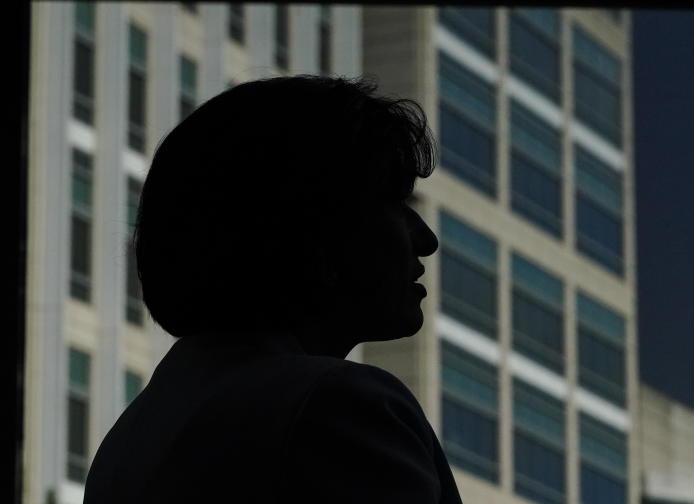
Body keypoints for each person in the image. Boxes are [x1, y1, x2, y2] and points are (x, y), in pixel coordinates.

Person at [83, 76, 462, 503]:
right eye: (396, 203)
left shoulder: (127, 444)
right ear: (315, 228)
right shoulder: (337, 406)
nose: (426, 238)